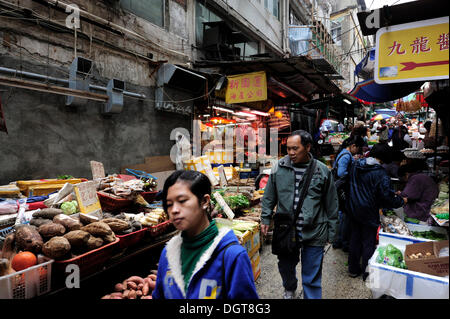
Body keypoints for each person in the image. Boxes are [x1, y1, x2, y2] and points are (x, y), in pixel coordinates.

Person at [153, 170, 258, 299]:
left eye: (182, 201)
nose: (174, 210)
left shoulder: (232, 256)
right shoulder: (168, 254)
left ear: (204, 201)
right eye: (169, 204)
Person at [261, 130, 338, 299]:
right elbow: (269, 196)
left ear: (308, 147)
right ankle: (289, 287)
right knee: (285, 266)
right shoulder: (279, 168)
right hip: (287, 230)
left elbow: (332, 203)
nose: (291, 153)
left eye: (295, 148)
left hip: (314, 231)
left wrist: (332, 231)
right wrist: (265, 217)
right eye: (288, 149)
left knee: (312, 276)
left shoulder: (322, 170)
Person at [346, 143, 405, 281]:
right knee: (368, 242)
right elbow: (386, 197)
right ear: (384, 157)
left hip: (353, 208)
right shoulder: (380, 173)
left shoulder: (356, 165)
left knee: (354, 239)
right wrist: (400, 200)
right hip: (368, 211)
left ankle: (353, 270)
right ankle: (367, 274)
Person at [332, 135, 365, 252]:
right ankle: (341, 241)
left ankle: (339, 240)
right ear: (353, 146)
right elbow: (341, 173)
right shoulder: (346, 155)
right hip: (342, 189)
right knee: (344, 216)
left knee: (342, 215)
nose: (358, 151)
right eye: (358, 148)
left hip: (339, 188)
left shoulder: (343, 153)